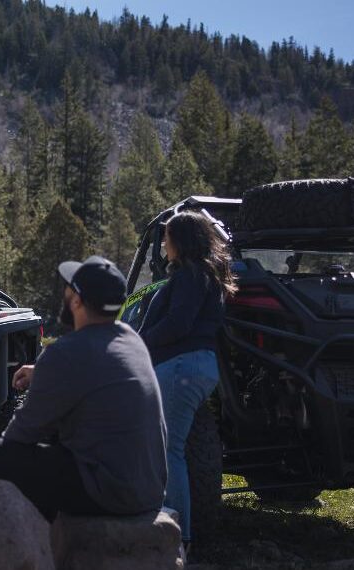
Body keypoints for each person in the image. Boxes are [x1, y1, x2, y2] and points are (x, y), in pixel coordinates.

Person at [0, 256, 167, 521]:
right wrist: (44, 372)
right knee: (49, 448)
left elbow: (20, 436)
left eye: (68, 288)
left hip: (109, 493)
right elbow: (94, 372)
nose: (64, 293)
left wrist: (48, 370)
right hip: (147, 490)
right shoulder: (131, 340)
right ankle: (47, 538)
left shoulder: (66, 352)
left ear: (77, 301)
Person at [138, 211, 236, 549]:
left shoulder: (190, 276)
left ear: (181, 240)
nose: (164, 244)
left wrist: (141, 340)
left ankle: (178, 538)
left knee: (170, 451)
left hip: (181, 367)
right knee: (172, 448)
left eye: (167, 238)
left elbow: (178, 324)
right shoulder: (205, 275)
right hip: (195, 367)